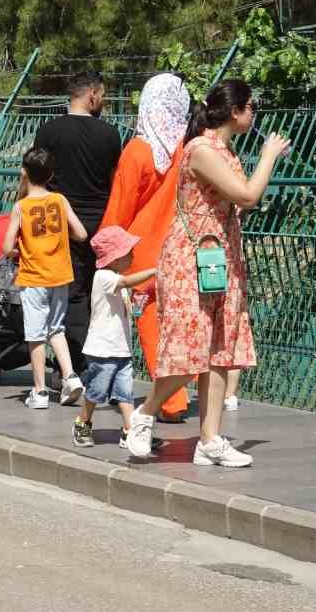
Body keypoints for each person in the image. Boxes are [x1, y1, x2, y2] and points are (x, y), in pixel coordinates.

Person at [125, 80, 289, 467]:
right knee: (191, 347)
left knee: (219, 349)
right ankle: (145, 414)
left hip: (221, 255)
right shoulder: (201, 149)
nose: (253, 114)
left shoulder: (223, 150)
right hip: (191, 258)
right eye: (250, 107)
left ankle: (209, 439)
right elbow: (248, 194)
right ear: (234, 112)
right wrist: (268, 157)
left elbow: (234, 203)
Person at [102, 73, 195, 422]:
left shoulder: (139, 150)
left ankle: (170, 401)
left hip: (141, 255)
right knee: (184, 324)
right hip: (182, 248)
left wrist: (108, 253)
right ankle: (194, 390)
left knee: (151, 327)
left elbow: (120, 208)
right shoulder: (188, 148)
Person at [33, 76, 122, 374]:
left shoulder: (48, 132)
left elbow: (36, 179)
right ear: (92, 95)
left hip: (61, 224)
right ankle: (101, 361)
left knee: (70, 295)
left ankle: (73, 366)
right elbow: (114, 182)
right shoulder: (110, 135)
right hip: (100, 223)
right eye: (103, 95)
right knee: (99, 295)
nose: (104, 101)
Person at [1, 146, 88, 409]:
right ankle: (70, 376)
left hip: (33, 276)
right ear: (51, 175)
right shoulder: (60, 201)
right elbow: (82, 234)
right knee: (56, 328)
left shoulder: (21, 206)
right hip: (60, 274)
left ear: (25, 172)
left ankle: (39, 391)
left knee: (36, 334)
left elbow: (6, 247)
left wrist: (18, 250)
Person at [71, 226, 157, 448]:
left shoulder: (117, 278)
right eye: (128, 252)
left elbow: (125, 304)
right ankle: (83, 421)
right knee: (96, 390)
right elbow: (125, 283)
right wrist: (153, 271)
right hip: (102, 349)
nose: (132, 255)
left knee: (125, 392)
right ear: (115, 257)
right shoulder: (104, 276)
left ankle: (129, 430)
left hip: (120, 348)